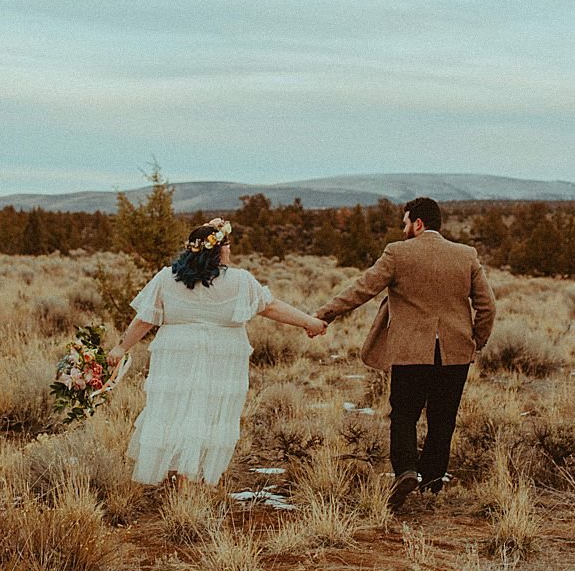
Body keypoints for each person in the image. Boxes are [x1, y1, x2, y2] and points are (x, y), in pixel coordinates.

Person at [106, 218, 327, 486]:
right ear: (219, 250)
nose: (230, 251)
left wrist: (121, 347)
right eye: (228, 245)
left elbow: (145, 319)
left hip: (177, 353)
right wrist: (309, 322)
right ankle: (192, 475)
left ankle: (181, 474)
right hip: (219, 356)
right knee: (208, 411)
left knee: (176, 410)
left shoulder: (168, 277)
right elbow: (271, 307)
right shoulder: (239, 281)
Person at [315, 197, 495, 511]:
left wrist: (326, 314)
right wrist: (474, 342)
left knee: (404, 415)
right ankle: (432, 482)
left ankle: (407, 470)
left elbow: (363, 288)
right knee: (443, 419)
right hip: (454, 354)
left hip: (411, 353)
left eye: (405, 223)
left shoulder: (397, 253)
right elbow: (487, 307)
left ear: (418, 224)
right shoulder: (466, 255)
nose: (403, 229)